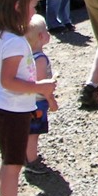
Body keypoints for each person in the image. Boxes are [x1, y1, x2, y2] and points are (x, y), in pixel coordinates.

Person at [0, 0, 56, 196]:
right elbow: (8, 80)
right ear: (18, 6)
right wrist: (41, 87)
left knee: (8, 163)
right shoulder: (16, 42)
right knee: (13, 165)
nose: (34, 11)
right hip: (13, 112)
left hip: (5, 110)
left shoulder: (0, 35)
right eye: (32, 5)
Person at [24, 14, 59, 175]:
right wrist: (51, 101)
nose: (48, 33)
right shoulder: (40, 59)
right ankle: (31, 160)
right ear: (40, 37)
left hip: (25, 99)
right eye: (45, 31)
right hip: (37, 102)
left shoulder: (25, 56)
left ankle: (26, 155)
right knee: (34, 132)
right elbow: (41, 85)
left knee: (27, 130)